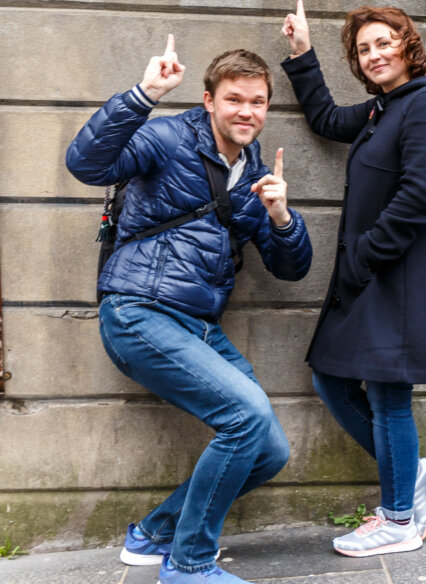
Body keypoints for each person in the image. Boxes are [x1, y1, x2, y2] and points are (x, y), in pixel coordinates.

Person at [65, 36, 312, 584]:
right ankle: (189, 563)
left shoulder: (253, 177)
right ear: (209, 101)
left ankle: (154, 533)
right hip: (139, 311)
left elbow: (291, 269)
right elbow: (85, 164)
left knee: (268, 449)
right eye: (234, 100)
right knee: (244, 419)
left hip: (199, 327)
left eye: (258, 102)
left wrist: (281, 216)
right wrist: (143, 94)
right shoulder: (167, 137)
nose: (247, 111)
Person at [280, 1, 426, 558]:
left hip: (401, 276)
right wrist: (302, 52)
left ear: (407, 45)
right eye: (363, 48)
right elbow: (325, 119)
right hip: (379, 275)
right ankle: (414, 474)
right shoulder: (382, 110)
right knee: (333, 378)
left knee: (390, 394)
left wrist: (364, 256)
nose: (373, 55)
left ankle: (397, 519)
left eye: (383, 43)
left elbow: (419, 196)